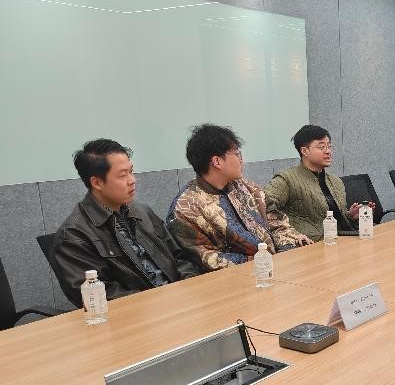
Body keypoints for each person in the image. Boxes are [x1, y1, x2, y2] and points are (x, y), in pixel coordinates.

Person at [54, 139, 200, 306]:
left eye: (131, 171)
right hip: (140, 312)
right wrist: (158, 302)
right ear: (97, 183)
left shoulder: (142, 212)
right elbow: (101, 296)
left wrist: (188, 286)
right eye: (123, 175)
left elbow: (179, 257)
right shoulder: (73, 236)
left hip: (179, 301)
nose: (132, 180)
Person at [167, 124, 312, 271]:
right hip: (240, 277)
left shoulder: (244, 186)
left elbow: (276, 222)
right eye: (237, 154)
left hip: (275, 268)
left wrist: (288, 247)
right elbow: (207, 259)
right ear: (217, 161)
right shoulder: (185, 208)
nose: (241, 160)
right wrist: (264, 261)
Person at [265, 125, 374, 242]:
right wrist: (290, 234)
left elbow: (334, 221)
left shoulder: (335, 181)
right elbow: (262, 205)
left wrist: (350, 216)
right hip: (311, 245)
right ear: (304, 151)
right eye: (321, 147)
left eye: (329, 146)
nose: (328, 151)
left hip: (340, 241)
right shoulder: (287, 179)